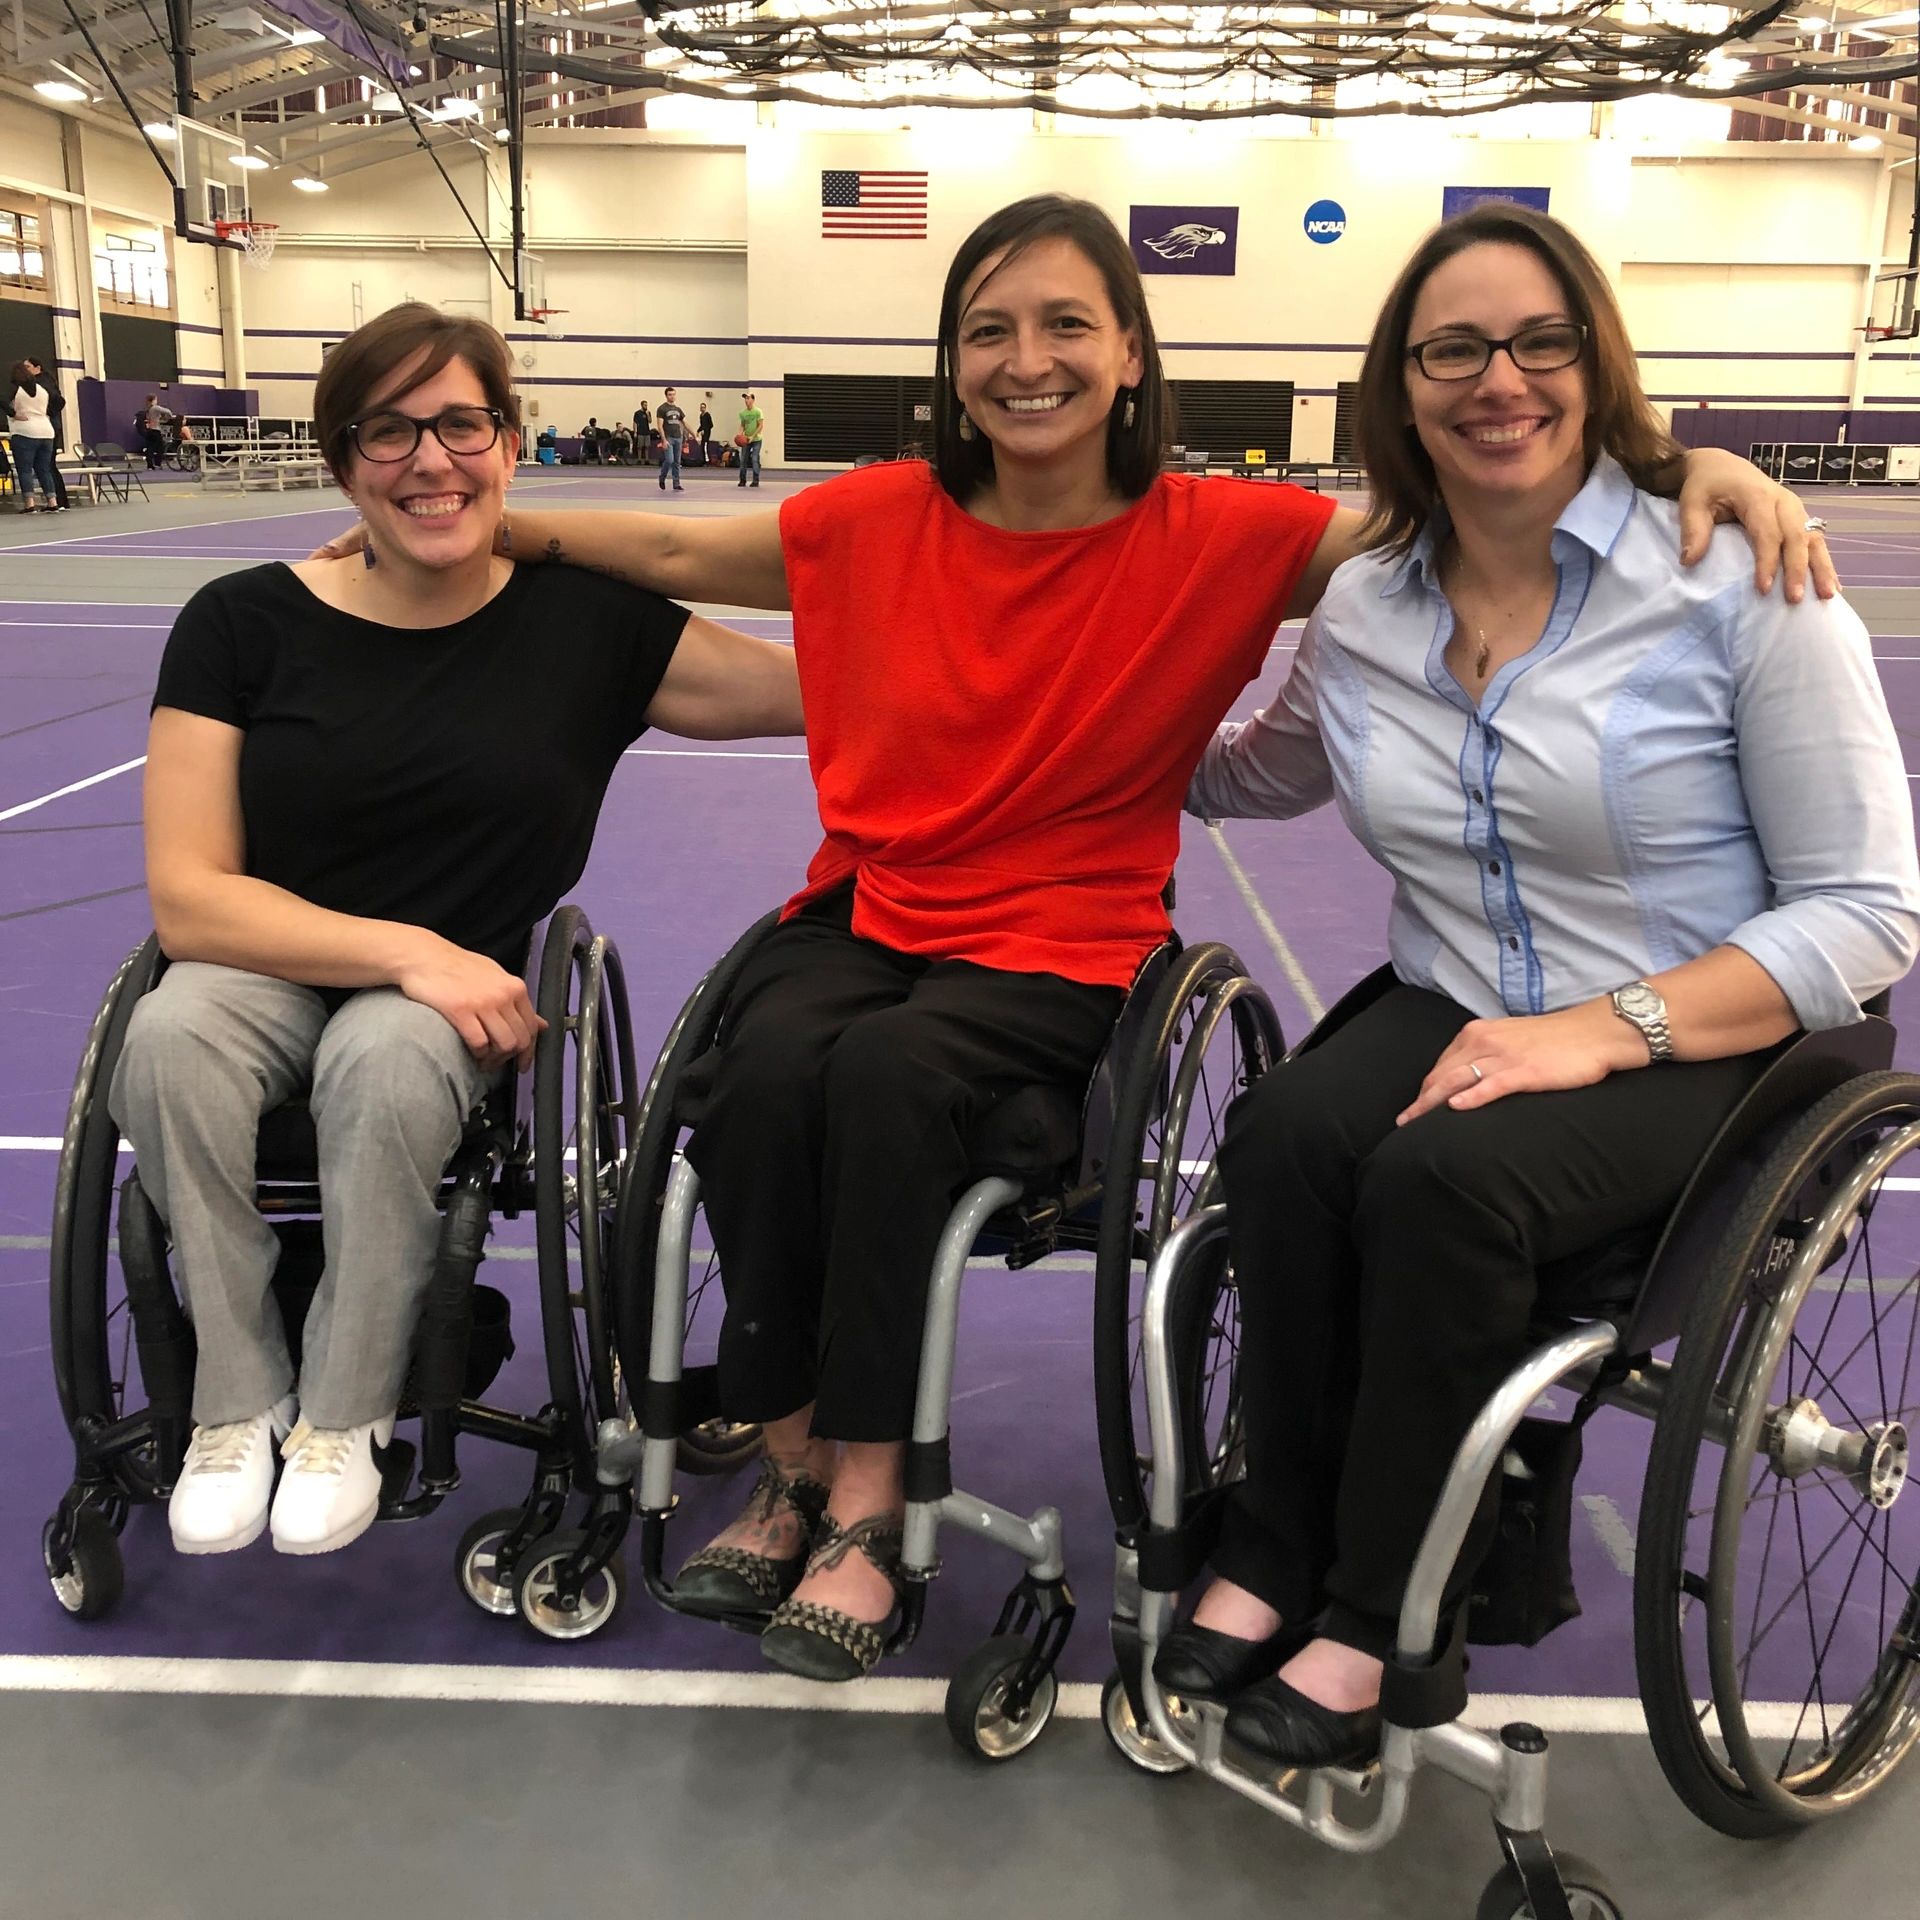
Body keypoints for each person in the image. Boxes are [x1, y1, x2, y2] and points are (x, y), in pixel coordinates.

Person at [315, 195, 1827, 1679]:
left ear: (1129, 357)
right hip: (877, 898)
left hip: (1066, 935)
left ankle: (871, 1493)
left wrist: (1674, 463)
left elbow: (1466, 501)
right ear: (950, 364)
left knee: (896, 1080)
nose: (1024, 359)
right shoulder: (872, 516)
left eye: (1062, 326)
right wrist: (467, 514)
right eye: (988, 329)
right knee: (763, 1067)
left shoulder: (1230, 534)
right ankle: (786, 1452)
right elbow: (668, 553)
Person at [1153, 201, 1920, 1771]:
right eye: (1454, 348)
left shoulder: (1740, 580)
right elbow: (1255, 773)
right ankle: (1274, 1541)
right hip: (1461, 989)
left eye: (1540, 341)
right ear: (1401, 383)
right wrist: (1049, 718)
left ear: (1595, 361)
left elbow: (1868, 910)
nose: (1499, 379)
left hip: (1714, 1025)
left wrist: (1604, 1031)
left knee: (1445, 1189)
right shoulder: (1367, 602)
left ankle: (1384, 1612)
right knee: (1289, 1145)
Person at [111, 301, 801, 1562]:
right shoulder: (240, 621)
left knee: (380, 1062)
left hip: (437, 1012)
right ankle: (233, 1401)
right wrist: (409, 950)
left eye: (460, 424)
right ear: (341, 458)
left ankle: (342, 1415)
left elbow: (831, 694)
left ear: (509, 437)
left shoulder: (587, 625)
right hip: (273, 962)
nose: (429, 460)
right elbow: (190, 897)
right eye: (388, 432)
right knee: (165, 1038)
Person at [6, 360, 59, 512]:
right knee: (44, 469)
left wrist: (13, 414)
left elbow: (3, 401)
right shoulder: (42, 389)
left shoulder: (16, 389)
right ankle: (52, 501)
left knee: (25, 470)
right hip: (46, 430)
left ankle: (30, 503)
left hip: (25, 431)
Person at [657, 387, 687, 492]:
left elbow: (685, 423)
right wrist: (663, 440)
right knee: (669, 460)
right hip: (668, 438)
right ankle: (662, 477)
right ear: (666, 396)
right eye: (670, 394)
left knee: (677, 462)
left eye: (673, 394)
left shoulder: (678, 410)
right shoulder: (662, 409)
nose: (672, 396)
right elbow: (660, 426)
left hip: (678, 437)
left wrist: (694, 434)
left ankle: (676, 483)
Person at [141, 393, 175, 469]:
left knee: (150, 448)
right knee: (160, 448)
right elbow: (168, 411)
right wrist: (169, 417)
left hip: (149, 430)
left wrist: (161, 420)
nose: (157, 401)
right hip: (156, 431)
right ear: (153, 400)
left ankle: (150, 465)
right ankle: (157, 463)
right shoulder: (155, 408)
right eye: (156, 400)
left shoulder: (148, 409)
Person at [737, 390, 763, 487]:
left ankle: (755, 480)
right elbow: (742, 425)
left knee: (754, 458)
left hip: (757, 439)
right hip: (746, 439)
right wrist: (739, 434)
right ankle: (742, 480)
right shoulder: (743, 413)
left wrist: (753, 436)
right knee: (743, 459)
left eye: (748, 398)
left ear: (753, 400)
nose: (746, 400)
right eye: (745, 398)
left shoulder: (758, 411)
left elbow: (760, 426)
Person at [632, 397, 652, 466]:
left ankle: (647, 460)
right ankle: (639, 459)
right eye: (645, 405)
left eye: (647, 405)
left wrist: (647, 415)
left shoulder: (648, 412)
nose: (646, 406)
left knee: (647, 446)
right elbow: (635, 423)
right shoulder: (637, 413)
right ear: (641, 405)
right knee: (639, 446)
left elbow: (650, 421)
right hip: (640, 431)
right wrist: (635, 432)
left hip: (647, 432)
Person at [698, 393, 716, 463]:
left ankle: (707, 460)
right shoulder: (701, 415)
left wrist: (705, 430)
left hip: (706, 433)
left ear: (705, 408)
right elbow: (701, 425)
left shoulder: (707, 415)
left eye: (703, 407)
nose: (702, 408)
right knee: (702, 446)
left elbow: (711, 425)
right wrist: (698, 431)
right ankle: (703, 459)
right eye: (701, 407)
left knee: (705, 446)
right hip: (703, 433)